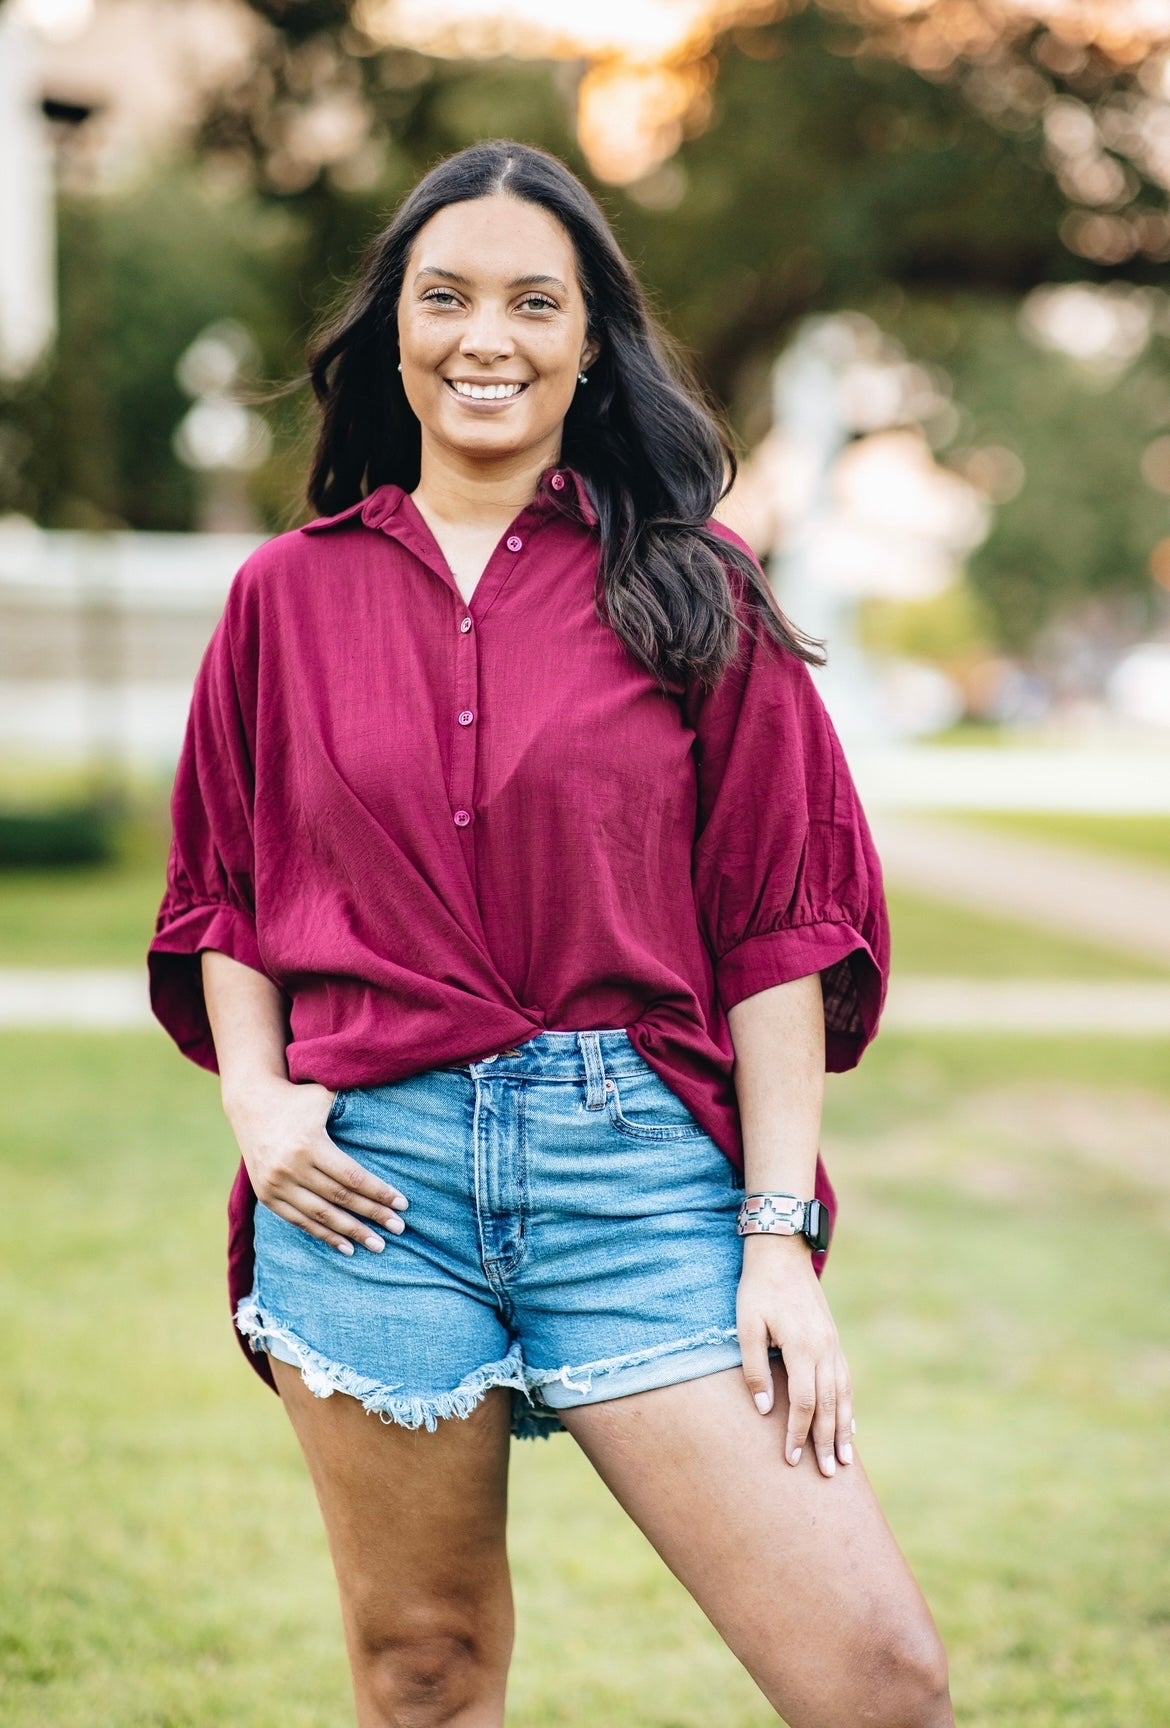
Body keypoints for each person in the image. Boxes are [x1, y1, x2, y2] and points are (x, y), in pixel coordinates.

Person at [148, 139, 953, 1728]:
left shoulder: (695, 588)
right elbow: (225, 888)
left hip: (637, 1177)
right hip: (369, 1189)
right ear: (394, 332)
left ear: (591, 345)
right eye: (445, 298)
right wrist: (256, 1096)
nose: (485, 337)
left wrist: (776, 1238)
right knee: (421, 1671)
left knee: (875, 1680)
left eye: (533, 301)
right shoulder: (283, 600)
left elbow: (780, 924)